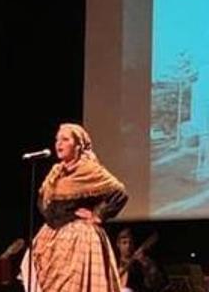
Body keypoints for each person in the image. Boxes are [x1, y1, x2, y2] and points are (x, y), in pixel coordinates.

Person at [28, 122, 128, 292]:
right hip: (51, 238)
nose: (58, 144)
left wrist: (98, 215)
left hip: (78, 239)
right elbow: (42, 200)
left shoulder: (89, 169)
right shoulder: (56, 172)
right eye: (57, 139)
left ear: (78, 145)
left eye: (65, 139)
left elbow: (120, 193)